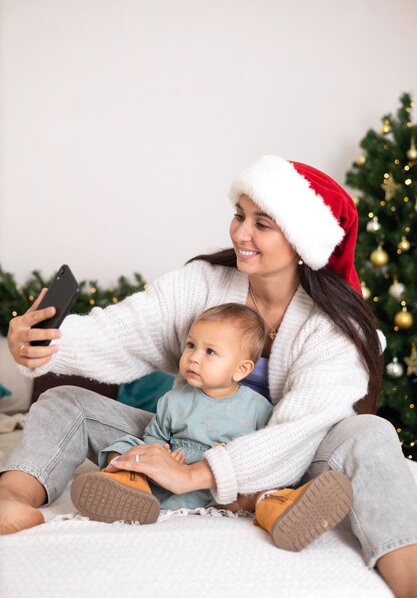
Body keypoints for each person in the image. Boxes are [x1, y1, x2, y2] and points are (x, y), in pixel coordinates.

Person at [2, 154, 417, 598]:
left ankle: (407, 574)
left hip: (292, 460)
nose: (241, 233)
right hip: (185, 440)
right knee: (66, 400)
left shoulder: (336, 329)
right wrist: (44, 342)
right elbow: (125, 331)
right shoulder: (203, 284)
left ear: (300, 240)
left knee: (369, 432)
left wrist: (196, 475)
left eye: (263, 224)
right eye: (239, 215)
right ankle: (12, 498)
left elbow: (298, 433)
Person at [70, 303, 274, 521]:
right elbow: (154, 437)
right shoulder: (174, 399)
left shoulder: (258, 408)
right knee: (124, 446)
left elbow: (261, 453)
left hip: (217, 486)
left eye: (210, 351)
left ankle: (275, 508)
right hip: (169, 473)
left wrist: (227, 456)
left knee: (262, 486)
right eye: (191, 345)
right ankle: (128, 486)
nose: (194, 357)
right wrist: (163, 453)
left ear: (241, 369)